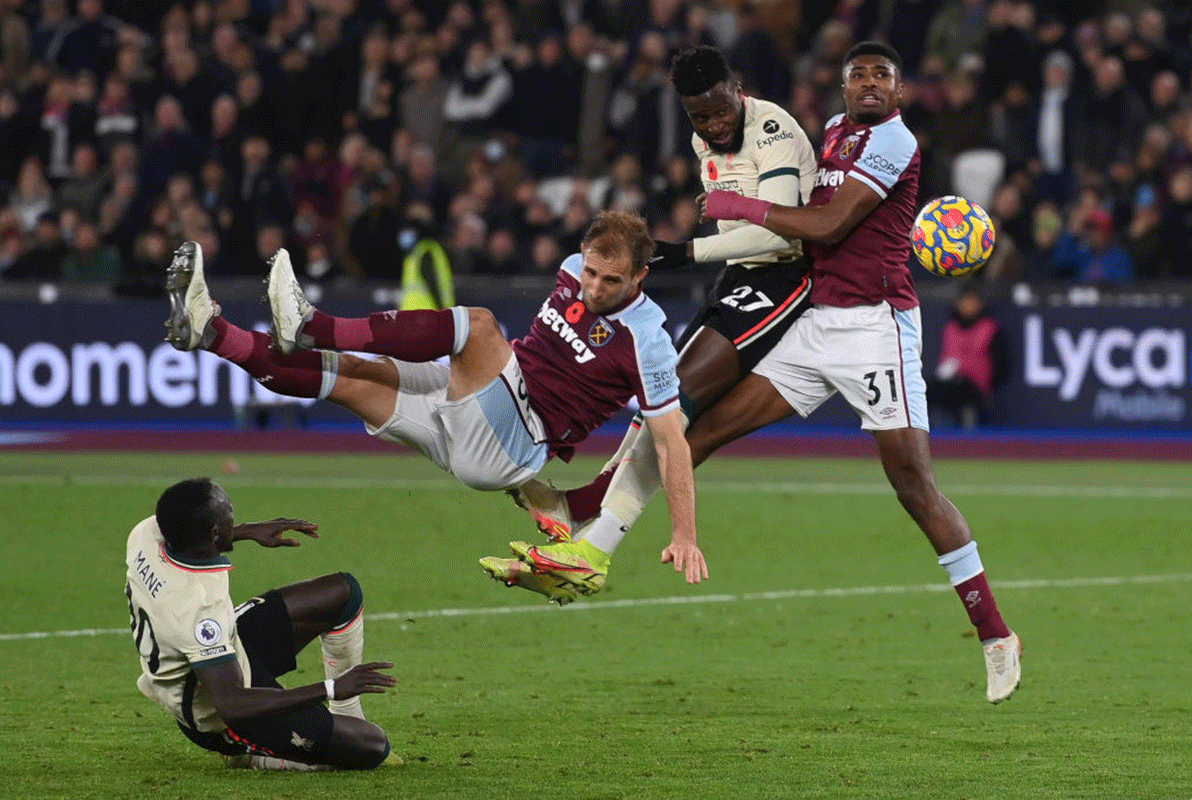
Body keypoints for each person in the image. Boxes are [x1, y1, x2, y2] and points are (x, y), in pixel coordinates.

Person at [687, 41, 1021, 704]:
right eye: (857, 74)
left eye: (882, 75)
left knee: (915, 489)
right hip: (816, 325)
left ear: (899, 90)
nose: (869, 83)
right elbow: (808, 223)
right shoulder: (835, 134)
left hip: (876, 329)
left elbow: (832, 224)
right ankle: (585, 530)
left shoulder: (895, 143)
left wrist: (743, 209)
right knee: (700, 432)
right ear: (843, 88)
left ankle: (995, 635)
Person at [163, 210, 701, 596]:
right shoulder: (568, 269)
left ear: (640, 278)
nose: (594, 288)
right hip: (476, 417)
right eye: (589, 272)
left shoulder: (647, 338)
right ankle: (212, 334)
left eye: (612, 281)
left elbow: (669, 440)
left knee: (481, 326)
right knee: (347, 377)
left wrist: (684, 534)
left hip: (515, 442)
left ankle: (312, 324)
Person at [484, 45, 816, 601]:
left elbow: (780, 232)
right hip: (736, 279)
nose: (712, 124)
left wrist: (684, 252)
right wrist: (699, 250)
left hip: (782, 280)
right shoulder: (701, 144)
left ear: (737, 90)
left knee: (673, 403)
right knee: (662, 407)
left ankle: (590, 537)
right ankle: (584, 527)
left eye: (720, 110)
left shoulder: (772, 127)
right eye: (699, 116)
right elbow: (735, 233)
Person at [124, 478, 397, 770]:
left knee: (343, 593)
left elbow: (191, 529)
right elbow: (233, 703)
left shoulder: (146, 534)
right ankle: (251, 753)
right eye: (230, 512)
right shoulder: (198, 608)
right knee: (373, 747)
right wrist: (330, 688)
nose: (234, 515)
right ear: (214, 533)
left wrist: (243, 532)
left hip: (227, 649)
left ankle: (348, 714)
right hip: (218, 710)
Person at [927, 284, 1008, 429]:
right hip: (949, 382)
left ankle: (968, 435)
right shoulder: (950, 327)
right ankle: (934, 435)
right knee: (929, 389)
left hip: (975, 386)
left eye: (972, 301)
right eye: (965, 301)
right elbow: (944, 355)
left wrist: (989, 387)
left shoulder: (990, 328)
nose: (968, 306)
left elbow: (1002, 363)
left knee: (964, 390)